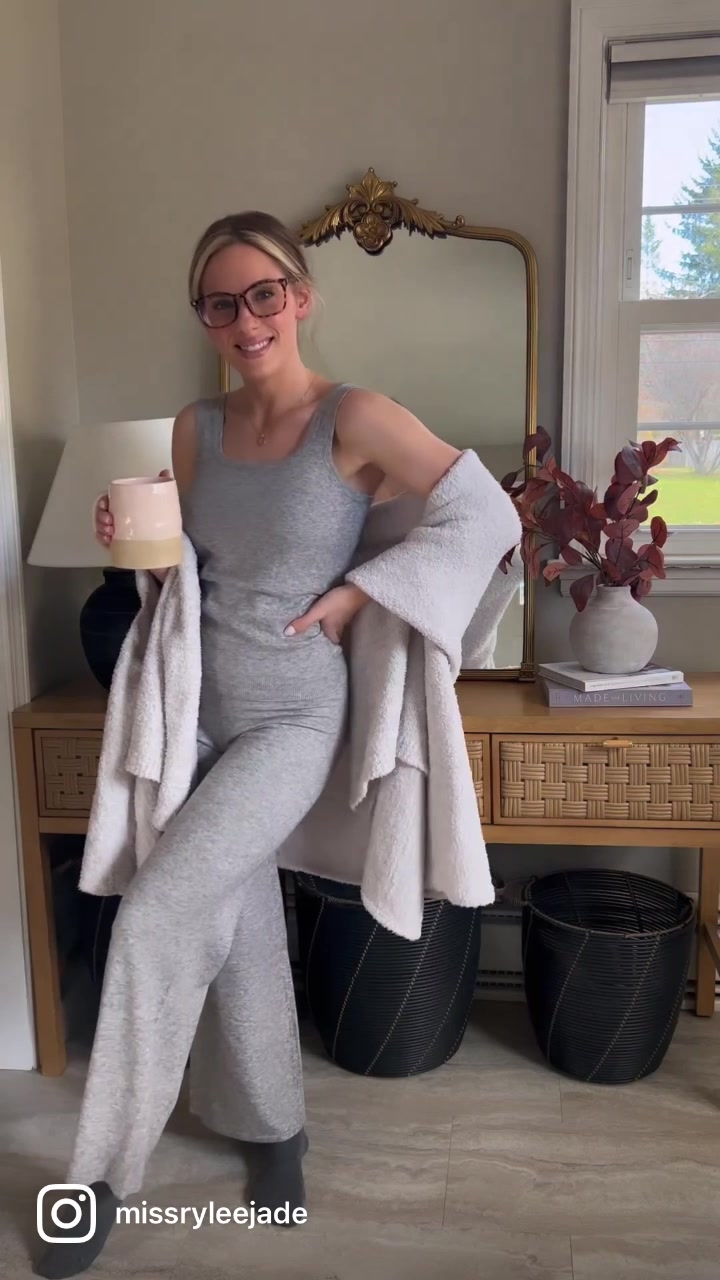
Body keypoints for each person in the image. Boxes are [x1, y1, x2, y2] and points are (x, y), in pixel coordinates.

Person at [34, 211, 466, 1278]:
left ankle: (97, 1179)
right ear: (206, 318)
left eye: (263, 293)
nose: (245, 318)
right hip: (196, 713)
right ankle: (277, 1131)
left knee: (156, 914)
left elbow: (485, 515)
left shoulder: (354, 417)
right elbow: (190, 571)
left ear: (301, 297)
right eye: (220, 302)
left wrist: (364, 590)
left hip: (293, 721)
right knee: (242, 924)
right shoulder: (195, 428)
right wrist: (132, 547)